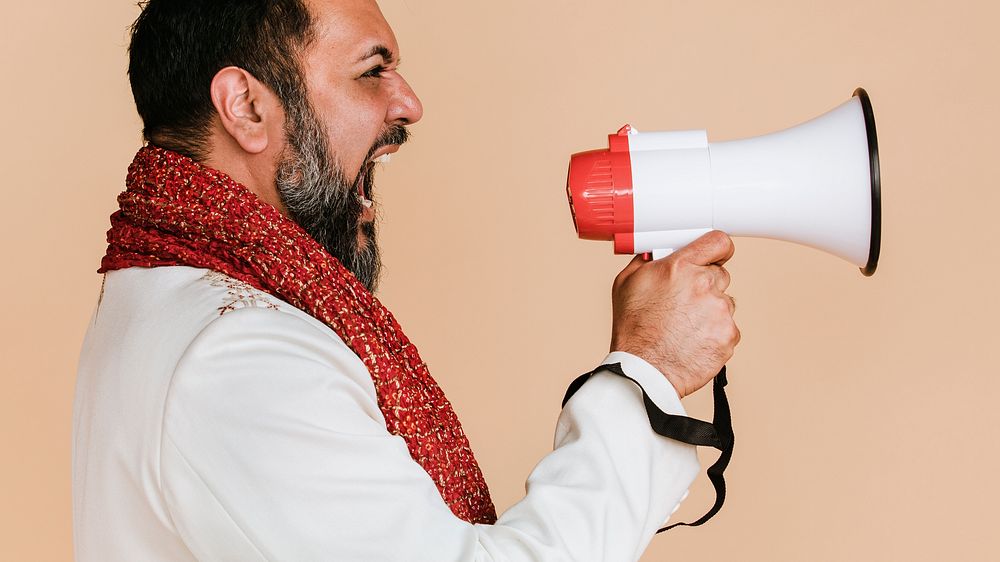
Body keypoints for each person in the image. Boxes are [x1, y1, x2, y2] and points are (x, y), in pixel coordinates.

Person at [72, 0, 740, 560]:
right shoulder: (235, 359)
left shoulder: (170, 292)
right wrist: (646, 370)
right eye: (372, 71)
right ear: (246, 108)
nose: (410, 103)